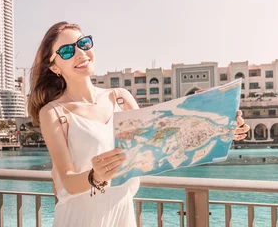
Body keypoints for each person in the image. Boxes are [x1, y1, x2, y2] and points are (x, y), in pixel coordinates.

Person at [27, 21, 250, 226]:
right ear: (54, 67)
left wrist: (221, 125)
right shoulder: (54, 112)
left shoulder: (121, 98)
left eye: (83, 43)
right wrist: (95, 176)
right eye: (67, 51)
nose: (80, 53)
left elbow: (161, 141)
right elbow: (67, 182)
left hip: (122, 215)